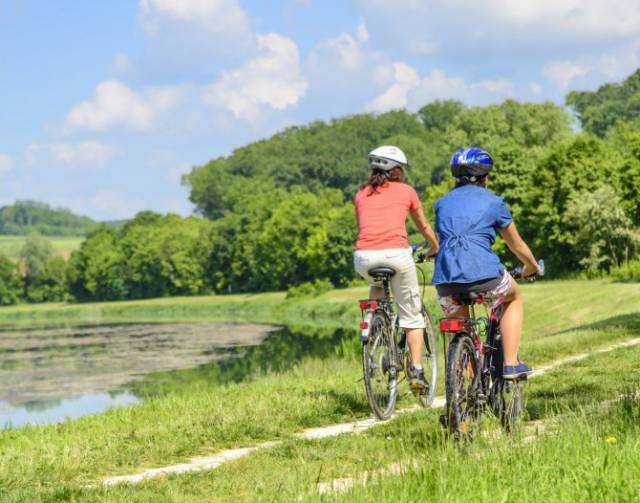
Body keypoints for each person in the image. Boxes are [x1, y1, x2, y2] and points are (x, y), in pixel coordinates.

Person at [432, 147, 541, 380]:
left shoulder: (442, 204)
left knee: (462, 329)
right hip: (485, 276)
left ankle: (462, 399)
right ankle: (511, 364)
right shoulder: (493, 202)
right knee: (514, 297)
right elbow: (517, 244)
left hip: (446, 281)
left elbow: (443, 240)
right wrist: (531, 266)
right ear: (485, 178)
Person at [354, 145, 439, 393]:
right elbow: (423, 226)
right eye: (401, 169)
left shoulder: (361, 194)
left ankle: (375, 322)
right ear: (396, 170)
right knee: (412, 315)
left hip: (363, 258)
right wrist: (434, 247)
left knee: (377, 284)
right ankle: (416, 370)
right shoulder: (406, 191)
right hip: (396, 255)